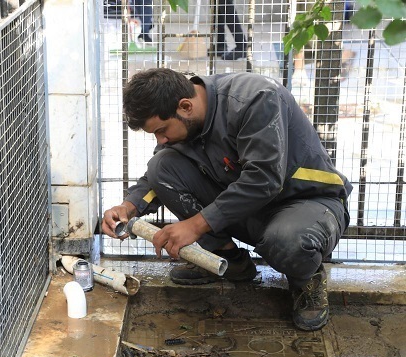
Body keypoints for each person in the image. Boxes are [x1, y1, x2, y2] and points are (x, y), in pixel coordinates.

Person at [102, 68, 352, 331]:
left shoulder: (255, 98)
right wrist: (129, 206)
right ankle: (229, 261)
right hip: (248, 207)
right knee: (161, 166)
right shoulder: (186, 118)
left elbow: (264, 179)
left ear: (185, 106)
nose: (161, 139)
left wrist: (196, 225)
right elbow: (159, 176)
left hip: (307, 203)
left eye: (162, 130)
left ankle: (306, 279)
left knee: (288, 241)